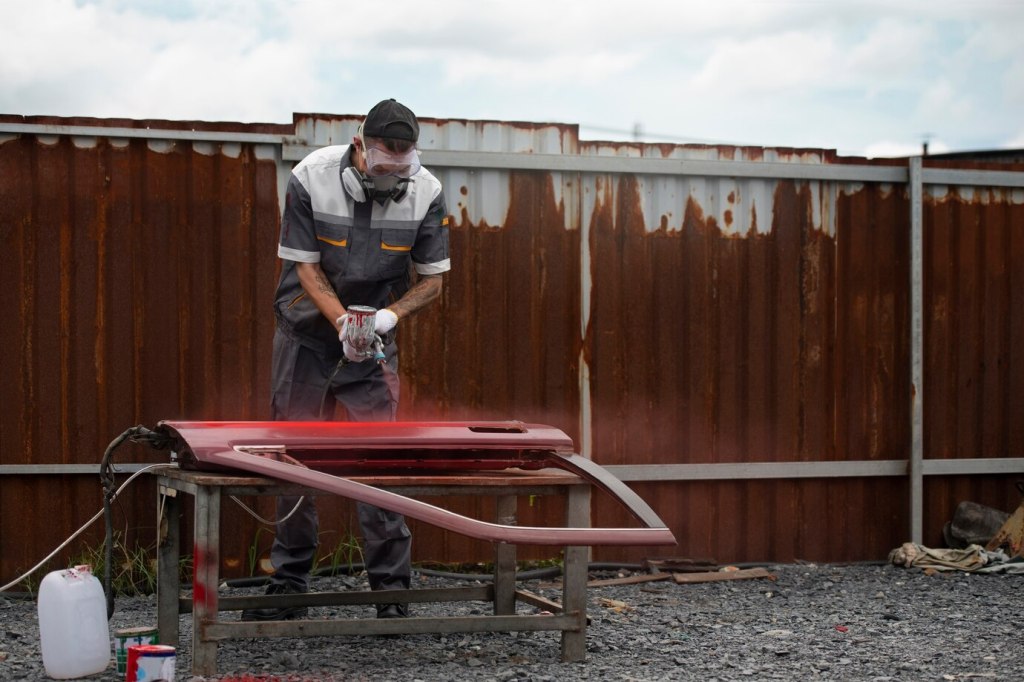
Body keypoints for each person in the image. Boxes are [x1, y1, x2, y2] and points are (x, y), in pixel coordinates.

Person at [241, 99, 450, 621]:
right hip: (306, 337)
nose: (391, 175)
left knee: (378, 462)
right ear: (360, 145)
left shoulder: (426, 192)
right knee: (293, 460)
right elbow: (306, 271)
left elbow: (433, 280)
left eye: (401, 166)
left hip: (373, 347)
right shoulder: (311, 177)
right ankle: (289, 585)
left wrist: (386, 319)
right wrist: (342, 323)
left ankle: (390, 593)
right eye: (383, 164)